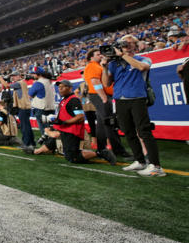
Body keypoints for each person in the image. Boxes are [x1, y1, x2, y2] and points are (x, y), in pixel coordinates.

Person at [101, 35, 165, 176]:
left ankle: (156, 166)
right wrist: (105, 68)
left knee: (144, 131)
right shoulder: (114, 63)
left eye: (130, 43)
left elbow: (142, 67)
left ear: (136, 46)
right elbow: (106, 83)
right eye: (124, 43)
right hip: (120, 99)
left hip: (137, 98)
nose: (127, 45)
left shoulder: (142, 59)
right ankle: (140, 161)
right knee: (128, 131)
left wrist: (123, 55)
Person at [41, 80, 116, 165]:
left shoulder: (73, 100)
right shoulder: (65, 100)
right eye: (59, 87)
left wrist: (64, 122)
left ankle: (101, 153)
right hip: (67, 130)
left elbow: (80, 117)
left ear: (70, 88)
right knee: (70, 156)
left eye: (63, 87)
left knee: (74, 157)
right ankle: (90, 154)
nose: (60, 89)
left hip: (72, 131)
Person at [83, 49, 131, 160]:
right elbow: (95, 82)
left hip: (100, 95)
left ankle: (101, 149)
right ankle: (118, 150)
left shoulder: (98, 66)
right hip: (100, 95)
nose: (100, 56)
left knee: (101, 123)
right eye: (97, 54)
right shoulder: (92, 66)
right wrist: (103, 97)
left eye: (100, 54)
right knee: (110, 122)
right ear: (91, 57)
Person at [0, 73, 34, 148]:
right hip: (25, 108)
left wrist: (0, 78)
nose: (13, 78)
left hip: (23, 108)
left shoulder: (19, 83)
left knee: (24, 127)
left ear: (19, 76)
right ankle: (31, 143)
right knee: (27, 127)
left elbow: (7, 85)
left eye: (14, 76)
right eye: (12, 76)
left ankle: (26, 144)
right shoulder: (22, 83)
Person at [28, 66, 55, 137]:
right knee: (51, 129)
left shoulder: (38, 83)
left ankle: (48, 146)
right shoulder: (49, 81)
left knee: (45, 131)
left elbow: (29, 95)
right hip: (51, 108)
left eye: (34, 74)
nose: (32, 75)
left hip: (41, 109)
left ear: (38, 74)